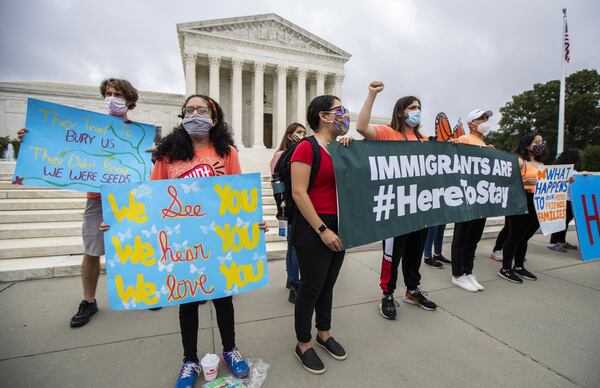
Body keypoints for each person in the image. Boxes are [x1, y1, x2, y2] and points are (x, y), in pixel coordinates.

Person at [145, 94, 267, 386]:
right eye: (189, 110)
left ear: (214, 117)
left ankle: (230, 350)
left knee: (224, 298)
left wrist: (252, 222)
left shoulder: (228, 153)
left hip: (217, 241)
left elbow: (238, 197)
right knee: (188, 302)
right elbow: (150, 197)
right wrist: (123, 222)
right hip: (183, 242)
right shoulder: (168, 155)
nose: (194, 114)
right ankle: (189, 360)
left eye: (201, 109)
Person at [17, 78, 151, 327]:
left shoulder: (139, 134)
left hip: (129, 199)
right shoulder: (89, 128)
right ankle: (88, 300)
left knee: (136, 247)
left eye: (118, 95)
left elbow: (148, 167)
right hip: (97, 199)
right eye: (108, 93)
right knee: (91, 250)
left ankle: (142, 292)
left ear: (130, 101)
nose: (112, 98)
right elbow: (55, 145)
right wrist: (31, 139)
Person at [356, 81, 437, 320]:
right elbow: (361, 127)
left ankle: (413, 290)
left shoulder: (424, 140)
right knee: (393, 254)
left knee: (415, 253)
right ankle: (387, 294)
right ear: (401, 111)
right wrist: (371, 94)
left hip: (421, 208)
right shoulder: (387, 134)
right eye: (412, 107)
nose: (417, 110)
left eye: (419, 107)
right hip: (396, 209)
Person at [292, 95, 353, 374]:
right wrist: (322, 230)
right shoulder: (306, 147)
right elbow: (298, 192)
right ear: (322, 116)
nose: (344, 114)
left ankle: (324, 333)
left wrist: (352, 150)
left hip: (339, 224)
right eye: (339, 110)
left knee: (328, 284)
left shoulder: (340, 148)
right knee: (310, 288)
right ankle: (303, 343)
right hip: (314, 226)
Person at [450, 109, 494, 292]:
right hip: (466, 197)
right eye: (481, 118)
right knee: (461, 237)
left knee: (474, 238)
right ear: (471, 123)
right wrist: (452, 144)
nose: (485, 121)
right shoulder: (464, 140)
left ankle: (468, 271)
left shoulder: (484, 144)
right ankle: (457, 274)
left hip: (481, 198)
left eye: (486, 118)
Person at [498, 133, 546, 283]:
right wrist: (526, 182)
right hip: (521, 201)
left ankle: (519, 266)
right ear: (527, 145)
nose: (540, 144)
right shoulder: (519, 161)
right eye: (536, 142)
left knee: (524, 236)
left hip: (537, 203)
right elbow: (506, 180)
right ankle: (505, 268)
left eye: (541, 142)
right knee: (515, 236)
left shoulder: (541, 164)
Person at [270, 123, 307, 303]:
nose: (302, 135)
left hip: (299, 206)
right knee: (293, 248)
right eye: (299, 132)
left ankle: (291, 278)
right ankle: (294, 283)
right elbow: (277, 182)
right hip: (288, 208)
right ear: (290, 134)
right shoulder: (280, 155)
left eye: (304, 132)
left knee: (294, 247)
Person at [547, 148, 581, 252]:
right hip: (564, 200)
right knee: (561, 222)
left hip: (569, 200)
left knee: (564, 222)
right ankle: (553, 243)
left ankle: (561, 241)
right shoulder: (567, 171)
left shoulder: (562, 170)